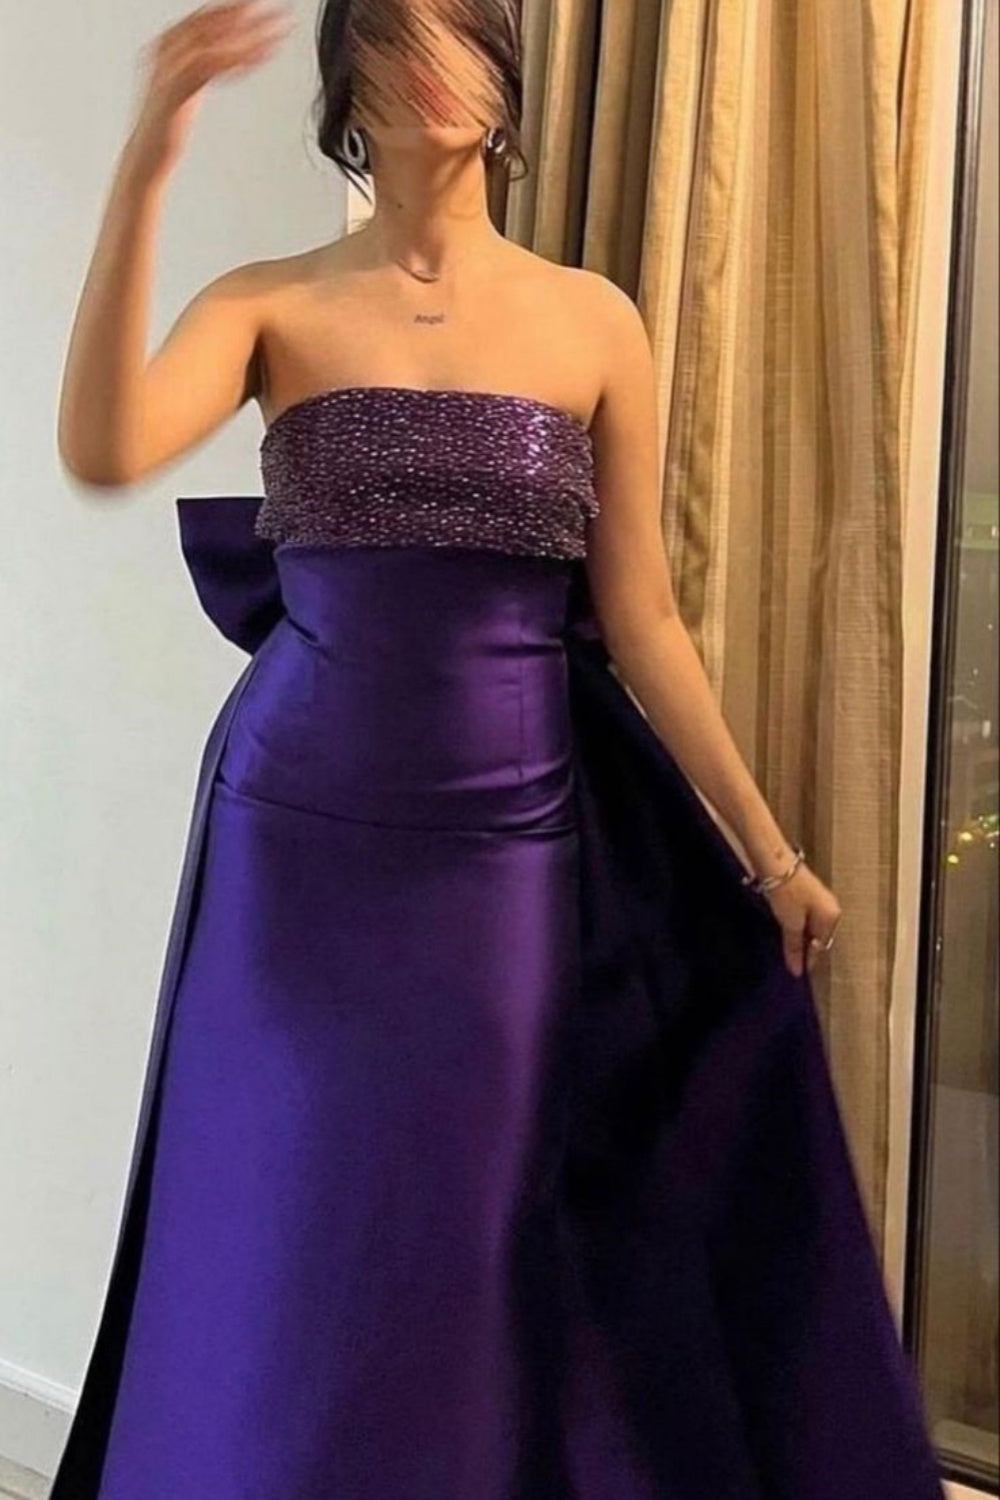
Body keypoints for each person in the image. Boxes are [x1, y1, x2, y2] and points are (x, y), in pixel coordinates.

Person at [50, 3, 945, 1497]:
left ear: (507, 79)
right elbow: (103, 447)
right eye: (399, 41)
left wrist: (768, 851)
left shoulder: (593, 320)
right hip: (297, 835)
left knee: (472, 1217)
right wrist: (149, 154)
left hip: (509, 842)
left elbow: (643, 617)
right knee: (293, 1193)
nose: (437, 68)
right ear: (348, 89)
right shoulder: (271, 303)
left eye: (464, 36)